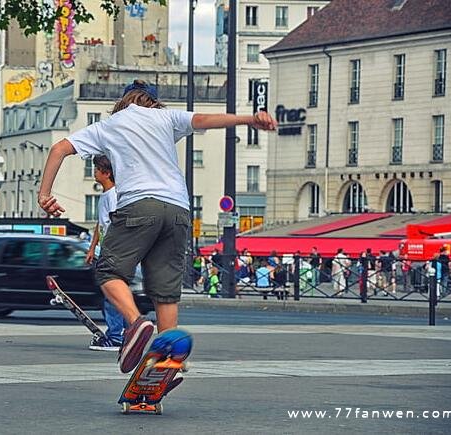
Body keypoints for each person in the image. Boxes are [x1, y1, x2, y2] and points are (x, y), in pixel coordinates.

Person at [38, 79, 277, 373]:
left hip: (139, 206)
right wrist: (251, 118)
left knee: (109, 271)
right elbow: (205, 119)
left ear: (124, 101)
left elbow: (59, 148)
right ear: (153, 102)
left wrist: (45, 194)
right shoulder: (167, 117)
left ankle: (136, 324)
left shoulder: (110, 125)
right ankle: (168, 360)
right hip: (178, 210)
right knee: (164, 291)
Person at [85, 155, 127, 352]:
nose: (94, 172)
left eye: (96, 169)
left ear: (107, 173)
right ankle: (125, 334)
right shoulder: (104, 196)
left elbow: (118, 225)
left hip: (115, 252)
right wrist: (93, 248)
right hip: (107, 251)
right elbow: (100, 225)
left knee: (112, 294)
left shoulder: (115, 196)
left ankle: (115, 336)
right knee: (116, 294)